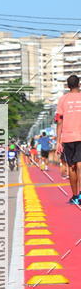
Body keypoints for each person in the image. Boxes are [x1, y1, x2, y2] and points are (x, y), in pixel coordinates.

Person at [56, 73, 81, 205]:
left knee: (72, 167)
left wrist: (58, 142)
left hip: (68, 137)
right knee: (80, 164)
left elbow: (59, 121)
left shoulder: (63, 100)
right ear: (79, 84)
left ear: (68, 86)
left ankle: (76, 196)